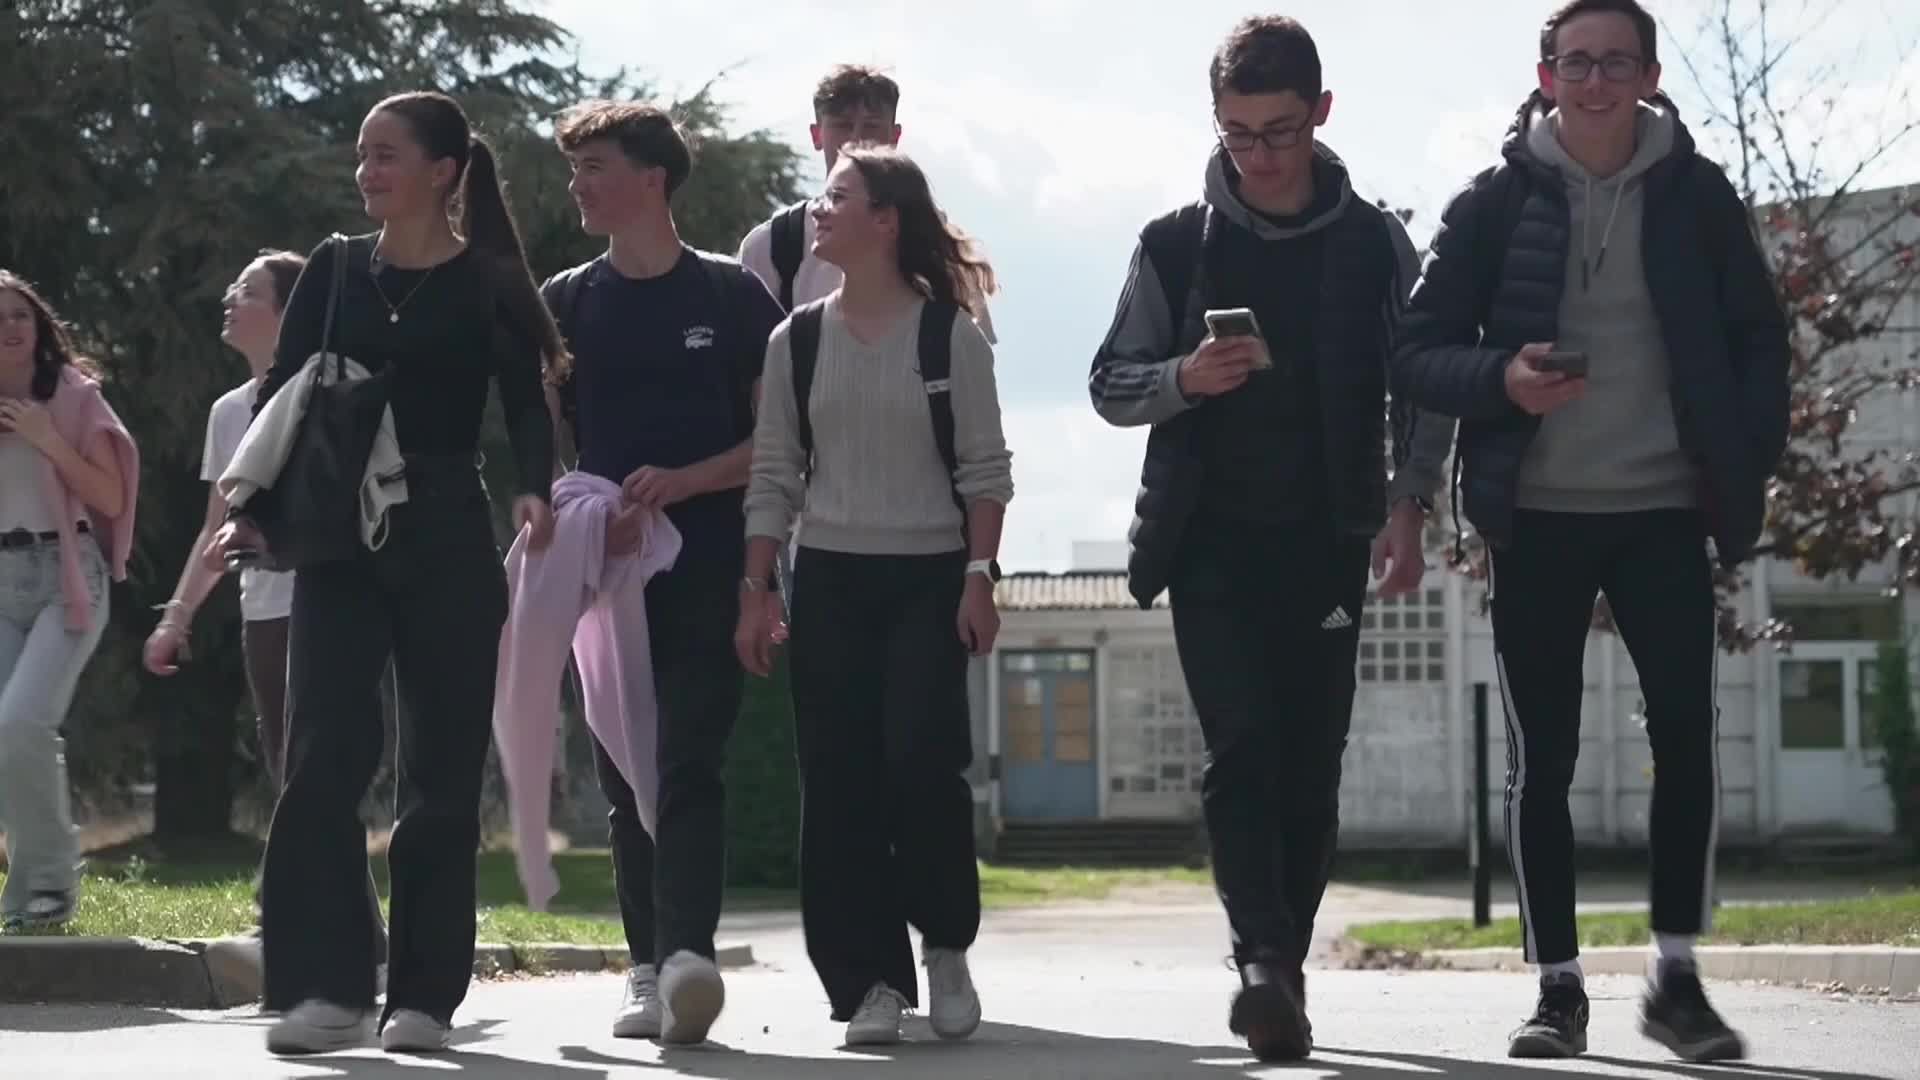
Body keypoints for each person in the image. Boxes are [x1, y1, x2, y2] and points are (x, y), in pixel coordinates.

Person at [1390, 0, 1790, 1064]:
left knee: (1687, 743)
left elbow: (1761, 336)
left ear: (1652, 77)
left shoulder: (1699, 196)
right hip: (1541, 516)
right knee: (1546, 760)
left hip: (1663, 508)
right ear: (1547, 71)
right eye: (1578, 62)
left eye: (1618, 63)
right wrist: (1504, 381)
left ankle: (1676, 977)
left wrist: (1745, 455)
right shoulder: (1492, 202)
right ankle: (1557, 988)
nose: (1596, 81)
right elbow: (1418, 350)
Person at [1087, 16, 1454, 1063]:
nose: (1258, 155)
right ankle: (1263, 965)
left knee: (1310, 762)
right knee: (1240, 748)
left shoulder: (1375, 240)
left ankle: (1282, 963)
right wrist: (1182, 381)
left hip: (1330, 538)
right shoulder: (1173, 242)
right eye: (1239, 133)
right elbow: (1110, 384)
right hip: (1207, 547)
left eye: (1280, 132)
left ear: (1322, 114)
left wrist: (1409, 504)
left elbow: (1426, 383)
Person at [208, 91, 560, 1056]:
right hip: (339, 537)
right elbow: (284, 394)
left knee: (439, 775)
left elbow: (530, 407)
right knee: (321, 757)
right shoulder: (329, 268)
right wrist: (258, 505)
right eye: (361, 154)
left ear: (444, 171)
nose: (366, 170)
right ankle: (323, 990)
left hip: (448, 529)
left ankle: (424, 1000)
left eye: (387, 155)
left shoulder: (488, 282)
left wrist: (535, 492)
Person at [737, 145, 1012, 1048]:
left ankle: (944, 945)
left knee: (922, 769)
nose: (819, 210)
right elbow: (774, 471)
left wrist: (978, 579)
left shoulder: (948, 336)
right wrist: (757, 587)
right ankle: (870, 984)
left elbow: (985, 473)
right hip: (832, 580)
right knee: (841, 782)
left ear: (885, 220)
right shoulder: (797, 338)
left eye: (837, 197)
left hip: (930, 578)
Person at [538, 100, 783, 1046]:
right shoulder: (565, 299)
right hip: (607, 576)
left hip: (714, 564)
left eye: (595, 167)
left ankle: (689, 958)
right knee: (623, 771)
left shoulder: (730, 297)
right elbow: (548, 442)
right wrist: (580, 512)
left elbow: (775, 442)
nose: (578, 186)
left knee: (686, 763)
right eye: (575, 170)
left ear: (653, 179)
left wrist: (685, 483)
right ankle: (644, 970)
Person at [142, 249, 388, 985]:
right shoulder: (229, 412)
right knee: (294, 769)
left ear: (286, 311)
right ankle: (360, 934)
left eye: (245, 290)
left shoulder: (333, 390)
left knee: (319, 768)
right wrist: (177, 616)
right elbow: (216, 528)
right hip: (265, 611)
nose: (228, 298)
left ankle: (296, 925)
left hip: (331, 600)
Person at [0, 271, 138, 934]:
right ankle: (28, 897)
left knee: (21, 723)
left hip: (67, 577)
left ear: (39, 324)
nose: (10, 327)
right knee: (8, 737)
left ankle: (51, 883)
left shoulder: (74, 397)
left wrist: (45, 437)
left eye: (20, 314)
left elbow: (111, 499)